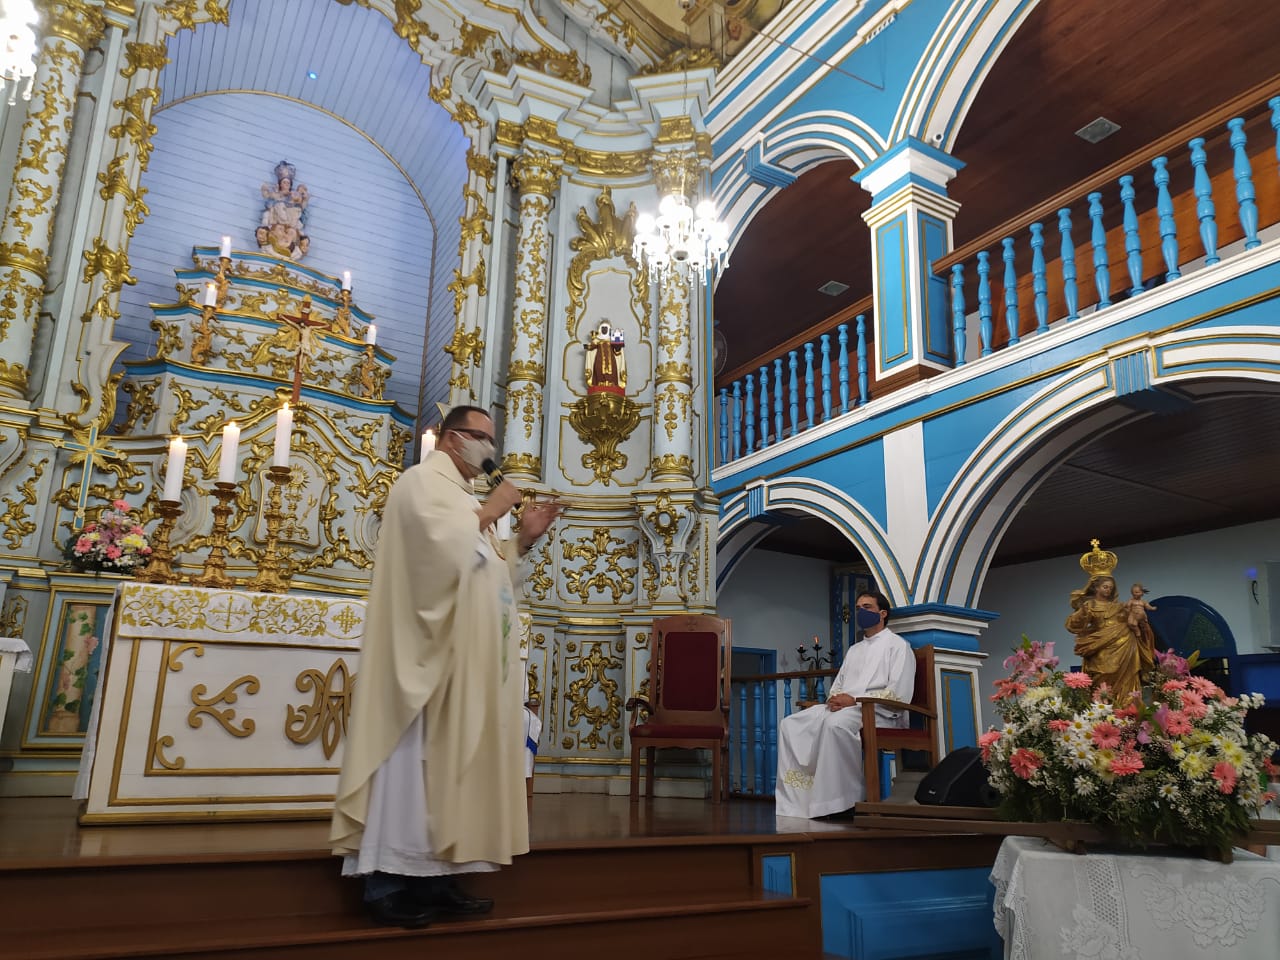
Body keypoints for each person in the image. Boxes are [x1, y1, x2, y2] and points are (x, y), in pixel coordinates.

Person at [331, 405, 562, 928]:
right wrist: (491, 509)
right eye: (482, 438)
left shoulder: (459, 498)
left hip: (463, 661)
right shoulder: (419, 483)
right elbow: (432, 558)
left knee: (450, 773)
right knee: (411, 770)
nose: (490, 450)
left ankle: (436, 880)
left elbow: (485, 571)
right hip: (424, 661)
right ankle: (386, 884)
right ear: (454, 439)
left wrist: (522, 536)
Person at [774, 591, 915, 819]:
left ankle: (843, 802)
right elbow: (838, 685)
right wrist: (836, 699)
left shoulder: (898, 646)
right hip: (848, 709)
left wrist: (855, 700)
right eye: (858, 607)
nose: (861, 612)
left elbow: (899, 693)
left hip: (880, 712)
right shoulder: (855, 649)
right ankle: (803, 800)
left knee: (835, 726)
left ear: (883, 613)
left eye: (867, 607)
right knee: (791, 724)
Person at [1065, 574, 1154, 705]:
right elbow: (1072, 626)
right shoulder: (1090, 605)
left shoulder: (1118, 606)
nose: (1108, 590)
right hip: (1100, 645)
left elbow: (1131, 620)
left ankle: (1126, 707)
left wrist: (1139, 618)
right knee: (1102, 675)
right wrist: (1083, 612)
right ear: (1096, 588)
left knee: (1127, 677)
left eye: (1110, 588)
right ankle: (1102, 709)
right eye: (1105, 587)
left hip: (1125, 645)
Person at [584, 320, 626, 394]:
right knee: (598, 369)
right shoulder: (597, 340)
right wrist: (587, 346)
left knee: (612, 370)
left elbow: (617, 352)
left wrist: (618, 347)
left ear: (608, 329)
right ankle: (600, 383)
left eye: (606, 328)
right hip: (599, 359)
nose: (604, 329)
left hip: (611, 359)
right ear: (600, 329)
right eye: (602, 328)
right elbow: (592, 346)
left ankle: (612, 383)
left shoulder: (612, 339)